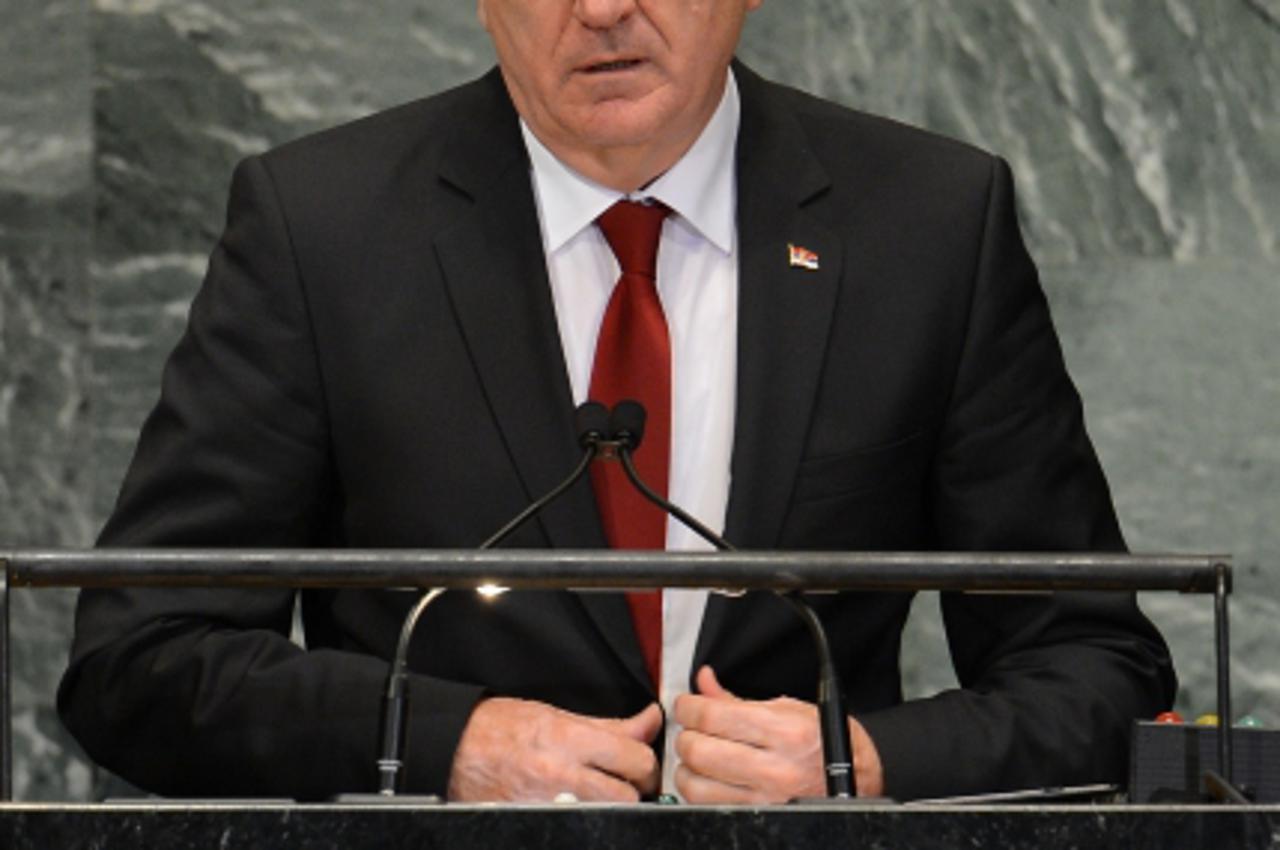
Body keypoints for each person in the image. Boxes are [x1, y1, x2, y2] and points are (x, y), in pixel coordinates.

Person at [59, 0, 1174, 803]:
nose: (601, 11)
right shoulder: (324, 231)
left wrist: (862, 762)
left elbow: (1092, 667)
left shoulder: (926, 224)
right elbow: (138, 661)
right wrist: (443, 742)